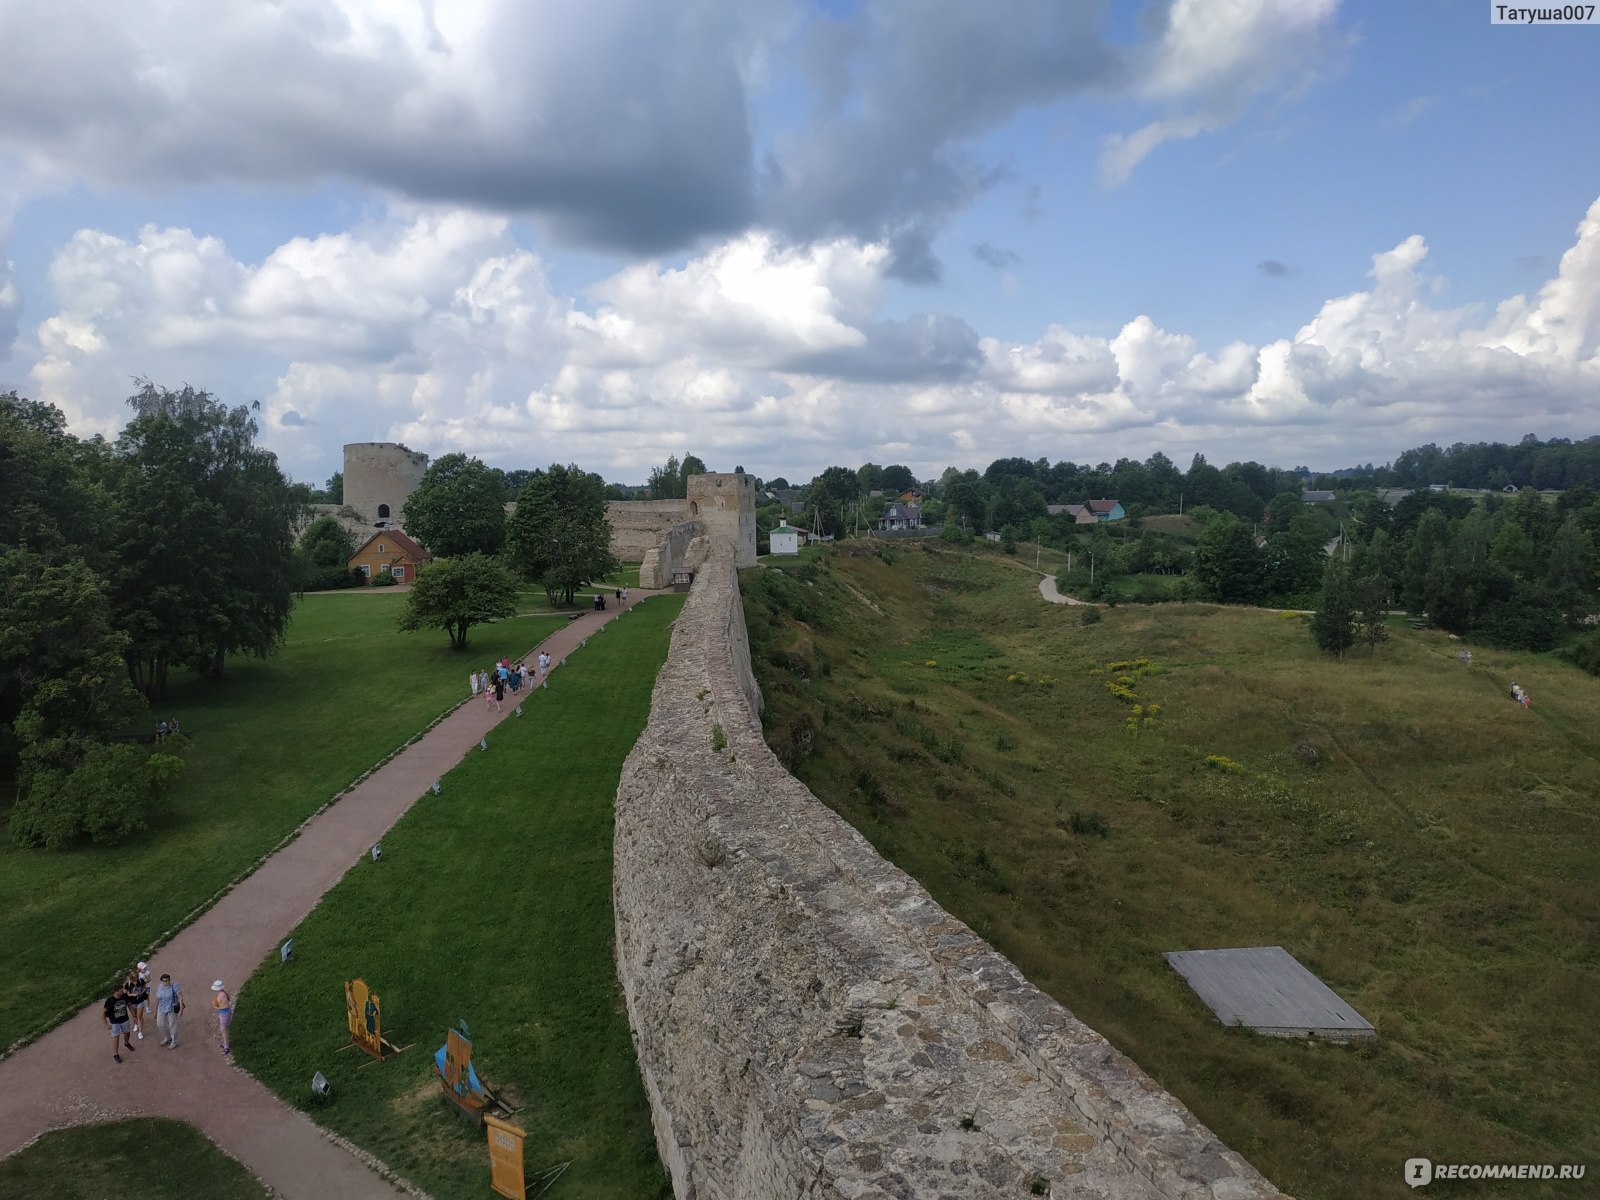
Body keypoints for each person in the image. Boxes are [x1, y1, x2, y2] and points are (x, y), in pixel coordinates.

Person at [104, 983, 136, 1063]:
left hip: (125, 1019)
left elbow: (129, 1005)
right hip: (115, 1022)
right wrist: (105, 1024)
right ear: (116, 992)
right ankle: (115, 1055)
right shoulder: (110, 1000)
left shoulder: (124, 996)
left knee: (127, 1033)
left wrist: (134, 1016)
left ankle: (126, 1043)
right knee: (116, 1037)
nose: (123, 992)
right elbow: (103, 1012)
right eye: (121, 991)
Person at [155, 971, 185, 1048]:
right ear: (161, 981)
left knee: (172, 1025)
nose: (167, 982)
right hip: (161, 1008)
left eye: (168, 980)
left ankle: (174, 1041)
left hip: (171, 1008)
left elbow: (180, 996)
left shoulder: (174, 986)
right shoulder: (159, 987)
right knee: (160, 1024)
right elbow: (157, 999)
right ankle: (167, 1037)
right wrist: (155, 1010)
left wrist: (181, 1009)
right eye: (165, 980)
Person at [127, 962, 151, 1040]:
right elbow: (126, 993)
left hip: (140, 1001)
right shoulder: (128, 984)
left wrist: (141, 992)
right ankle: (136, 1024)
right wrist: (132, 995)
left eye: (137, 977)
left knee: (139, 1017)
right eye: (135, 978)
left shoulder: (140, 981)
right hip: (132, 1002)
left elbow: (144, 987)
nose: (137, 979)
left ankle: (140, 1032)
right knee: (134, 1016)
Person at [211, 980, 233, 1055]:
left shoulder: (221, 995)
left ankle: (226, 1046)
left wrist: (215, 1006)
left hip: (224, 1014)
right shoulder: (223, 993)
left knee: (223, 1030)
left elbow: (224, 1006)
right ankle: (226, 1043)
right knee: (225, 1029)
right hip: (226, 1013)